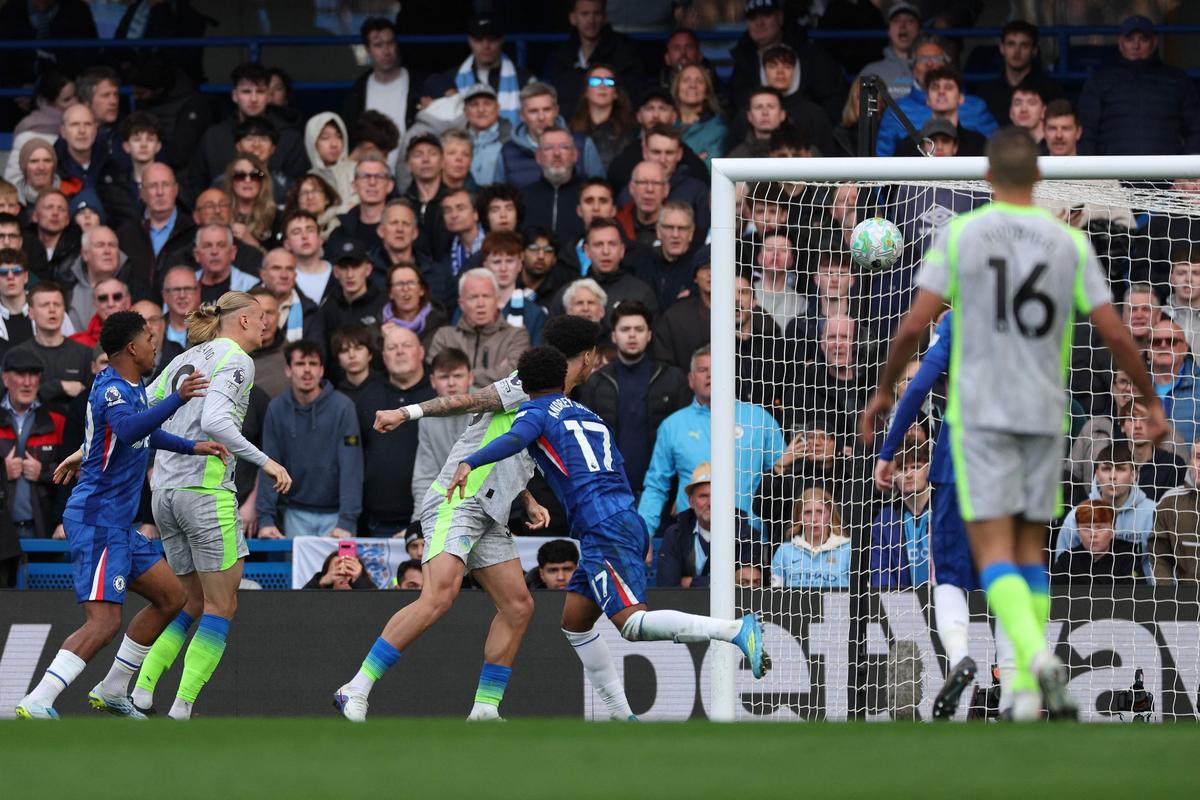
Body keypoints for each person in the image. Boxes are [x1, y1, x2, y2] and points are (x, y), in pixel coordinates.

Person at [860, 126, 1166, 721]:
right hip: (1042, 423)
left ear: (987, 179)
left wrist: (881, 404)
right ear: (1040, 179)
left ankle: (994, 664)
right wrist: (1151, 401)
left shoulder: (962, 237)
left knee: (972, 560)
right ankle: (1028, 677)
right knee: (1029, 555)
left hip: (976, 425)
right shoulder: (1067, 244)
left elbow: (913, 340)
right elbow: (1115, 332)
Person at [446, 346, 770, 708]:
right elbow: (616, 464)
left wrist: (470, 461)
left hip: (603, 526)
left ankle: (734, 630)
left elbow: (516, 438)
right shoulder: (588, 415)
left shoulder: (534, 411)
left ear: (524, 382)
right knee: (575, 623)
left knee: (632, 624)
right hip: (620, 516)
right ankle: (621, 714)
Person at [333, 316, 596, 723]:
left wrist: (524, 498)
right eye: (598, 356)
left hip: (491, 512)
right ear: (588, 357)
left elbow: (510, 444)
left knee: (518, 605)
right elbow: (469, 401)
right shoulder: (524, 382)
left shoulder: (559, 403)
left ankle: (485, 708)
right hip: (457, 500)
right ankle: (356, 688)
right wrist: (407, 412)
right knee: (438, 596)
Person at [14, 310, 217, 720]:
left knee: (172, 597)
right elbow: (127, 430)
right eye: (149, 338)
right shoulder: (111, 390)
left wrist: (191, 447)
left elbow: (141, 433)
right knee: (104, 622)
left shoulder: (132, 385)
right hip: (96, 520)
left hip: (117, 524)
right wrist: (177, 397)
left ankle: (112, 688)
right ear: (131, 348)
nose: (154, 344)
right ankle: (38, 700)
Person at [127, 292, 292, 719]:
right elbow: (216, 422)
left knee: (190, 600)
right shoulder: (237, 358)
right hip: (205, 494)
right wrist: (268, 461)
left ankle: (143, 690)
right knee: (222, 605)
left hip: (164, 494)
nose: (266, 324)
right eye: (260, 317)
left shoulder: (188, 357)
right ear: (240, 322)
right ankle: (182, 705)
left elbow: (141, 411)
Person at [873, 311, 1002, 718]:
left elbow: (918, 388)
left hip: (955, 462)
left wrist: (889, 450)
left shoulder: (956, 323)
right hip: (1011, 464)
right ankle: (1015, 687)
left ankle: (961, 656)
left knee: (947, 576)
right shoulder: (1030, 319)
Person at [639, 345, 783, 534]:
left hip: (748, 538)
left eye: (716, 369)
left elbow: (783, 477)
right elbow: (656, 486)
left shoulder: (759, 420)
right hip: (691, 538)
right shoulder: (673, 426)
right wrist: (643, 536)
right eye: (702, 370)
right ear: (691, 380)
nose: (710, 375)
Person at [579, 302, 690, 494]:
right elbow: (585, 440)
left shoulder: (673, 378)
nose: (632, 335)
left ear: (649, 335)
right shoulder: (596, 382)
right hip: (609, 488)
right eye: (625, 329)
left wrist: (682, 488)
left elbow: (685, 437)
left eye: (639, 329)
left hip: (663, 489)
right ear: (614, 335)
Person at [256, 341, 362, 539]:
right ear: (288, 370)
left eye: (313, 364)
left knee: (340, 571)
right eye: (299, 364)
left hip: (337, 516)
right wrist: (266, 519)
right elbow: (269, 464)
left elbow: (351, 466)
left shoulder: (343, 407)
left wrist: (347, 520)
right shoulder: (276, 408)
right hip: (295, 513)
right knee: (297, 571)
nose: (307, 371)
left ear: (322, 370)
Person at [354, 326, 436, 537]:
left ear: (421, 352)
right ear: (383, 357)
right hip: (379, 518)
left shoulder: (438, 394)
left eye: (406, 345)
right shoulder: (366, 395)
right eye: (392, 347)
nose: (399, 351)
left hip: (435, 515)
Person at [1078, 15, 1200, 156]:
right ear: (1120, 43)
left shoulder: (1178, 80)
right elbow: (1086, 131)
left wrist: (1187, 169)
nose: (1136, 45)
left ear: (1154, 42)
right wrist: (1093, 173)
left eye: (1143, 39)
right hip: (1112, 174)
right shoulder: (1099, 81)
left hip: (1167, 174)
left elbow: (1196, 129)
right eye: (1130, 39)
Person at [186, 63, 307, 202]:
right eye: (246, 92)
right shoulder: (213, 137)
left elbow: (299, 187)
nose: (254, 99)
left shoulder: (289, 137)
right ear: (234, 95)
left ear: (268, 96)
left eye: (260, 91)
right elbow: (196, 183)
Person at [873, 37, 997, 158]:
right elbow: (882, 160)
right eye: (923, 59)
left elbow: (997, 150)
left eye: (936, 58)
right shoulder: (897, 112)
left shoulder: (975, 108)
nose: (930, 63)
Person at [728, 0, 844, 123]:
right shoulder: (743, 59)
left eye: (766, 15)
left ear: (780, 18)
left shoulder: (811, 55)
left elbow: (833, 101)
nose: (759, 23)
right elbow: (735, 108)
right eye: (752, 18)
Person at [1055, 443, 1157, 574]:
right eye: (1106, 469)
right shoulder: (1077, 515)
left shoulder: (1152, 513)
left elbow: (1160, 565)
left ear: (1133, 475)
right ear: (1097, 474)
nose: (1112, 476)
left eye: (1120, 469)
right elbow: (1061, 565)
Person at [0, 348, 66, 539]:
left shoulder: (58, 419)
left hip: (44, 529)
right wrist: (3, 471)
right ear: (5, 378)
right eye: (20, 374)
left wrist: (43, 472)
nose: (28, 382)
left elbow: (76, 473)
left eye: (33, 374)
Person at [427, 268, 530, 388]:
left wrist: (460, 377)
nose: (480, 304)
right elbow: (435, 377)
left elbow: (514, 379)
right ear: (461, 304)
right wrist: (498, 372)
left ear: (497, 300)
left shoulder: (516, 335)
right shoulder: (444, 337)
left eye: (486, 296)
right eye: (473, 297)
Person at [543, 0, 646, 120]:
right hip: (569, 126)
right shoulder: (560, 55)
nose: (591, 20)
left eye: (596, 13)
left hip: (615, 128)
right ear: (573, 18)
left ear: (605, 17)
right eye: (585, 14)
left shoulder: (624, 51)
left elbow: (634, 95)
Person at [500, 82, 604, 189]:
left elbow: (601, 191)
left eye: (547, 110)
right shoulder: (507, 151)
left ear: (556, 111)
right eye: (533, 111)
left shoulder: (582, 144)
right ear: (522, 115)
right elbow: (497, 196)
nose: (541, 117)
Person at [115, 162, 197, 294]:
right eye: (153, 186)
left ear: (176, 190)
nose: (160, 192)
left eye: (165, 185)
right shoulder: (125, 236)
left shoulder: (194, 232)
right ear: (142, 193)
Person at [10, 282, 92, 413]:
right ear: (31, 313)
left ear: (64, 310)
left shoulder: (85, 354)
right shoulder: (17, 355)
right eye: (44, 305)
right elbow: (11, 398)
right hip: (33, 429)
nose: (52, 310)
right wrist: (58, 387)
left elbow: (97, 398)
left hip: (74, 429)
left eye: (57, 304)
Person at [410, 347, 473, 505]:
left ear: (471, 378)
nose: (451, 383)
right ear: (432, 381)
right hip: (448, 506)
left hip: (493, 507)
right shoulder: (427, 419)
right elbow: (425, 477)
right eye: (444, 377)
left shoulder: (489, 410)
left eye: (458, 376)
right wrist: (419, 521)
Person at [976, 20, 1064, 126]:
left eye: (1024, 45)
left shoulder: (1050, 90)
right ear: (1002, 48)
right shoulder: (986, 93)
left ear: (1034, 50)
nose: (1017, 51)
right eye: (1011, 44)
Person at [344, 18, 415, 146]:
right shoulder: (357, 92)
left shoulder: (418, 84)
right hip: (370, 165)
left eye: (390, 43)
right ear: (367, 49)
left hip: (411, 165)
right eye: (378, 45)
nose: (386, 51)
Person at [892, 69, 987, 157]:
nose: (941, 91)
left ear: (960, 98)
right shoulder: (908, 146)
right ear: (927, 99)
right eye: (935, 87)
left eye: (948, 87)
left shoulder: (978, 144)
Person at [770, 487, 851, 588]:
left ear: (830, 514)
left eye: (820, 512)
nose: (814, 519)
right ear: (800, 517)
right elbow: (774, 596)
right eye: (808, 512)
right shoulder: (785, 551)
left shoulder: (848, 550)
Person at [521, 127, 587, 248]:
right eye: (548, 148)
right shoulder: (523, 197)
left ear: (575, 155)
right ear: (538, 157)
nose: (557, 154)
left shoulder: (588, 195)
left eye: (564, 147)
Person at [1051, 500, 1142, 585]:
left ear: (1113, 531)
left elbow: (1138, 594)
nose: (1093, 534)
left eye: (1100, 528)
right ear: (1078, 532)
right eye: (1086, 528)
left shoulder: (1128, 556)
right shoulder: (1067, 560)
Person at [482, 231, 547, 346]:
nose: (503, 268)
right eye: (496, 262)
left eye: (509, 261)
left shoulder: (535, 314)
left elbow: (539, 358)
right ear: (485, 265)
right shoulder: (470, 307)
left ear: (520, 265)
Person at [569, 64, 636, 171]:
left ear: (615, 94)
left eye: (609, 82)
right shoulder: (572, 129)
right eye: (595, 81)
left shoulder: (630, 129)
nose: (602, 86)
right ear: (586, 92)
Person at [653, 247, 710, 370]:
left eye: (718, 266)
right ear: (695, 277)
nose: (711, 273)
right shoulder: (675, 317)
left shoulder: (747, 314)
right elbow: (663, 364)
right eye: (705, 268)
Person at [1151, 443, 1200, 583]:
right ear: (1191, 461)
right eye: (1198, 457)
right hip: (1184, 599)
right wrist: (1167, 595)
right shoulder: (1169, 502)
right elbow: (1159, 556)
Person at [1149, 318, 1200, 442]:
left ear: (1185, 348)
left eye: (1171, 341)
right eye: (1156, 341)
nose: (1163, 345)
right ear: (1148, 350)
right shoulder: (1132, 385)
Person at [858, 2, 922, 99]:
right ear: (888, 30)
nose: (903, 25)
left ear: (919, 29)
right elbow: (859, 111)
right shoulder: (871, 72)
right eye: (896, 21)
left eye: (910, 21)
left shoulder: (932, 68)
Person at [671, 64, 727, 168]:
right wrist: (694, 160)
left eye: (699, 81)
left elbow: (709, 168)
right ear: (677, 88)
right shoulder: (665, 123)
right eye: (686, 80)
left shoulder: (718, 130)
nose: (692, 85)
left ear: (706, 92)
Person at [304, 112, 356, 217]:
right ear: (312, 142)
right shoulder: (308, 181)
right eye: (325, 137)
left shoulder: (357, 171)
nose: (334, 144)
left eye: (339, 136)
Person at [193, 224, 258, 303]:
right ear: (196, 254)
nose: (214, 251)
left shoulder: (252, 286)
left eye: (221, 245)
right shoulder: (185, 285)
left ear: (233, 252)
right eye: (207, 246)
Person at [463, 82, 512, 187]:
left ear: (498, 108)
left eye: (487, 103)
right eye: (474, 104)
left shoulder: (513, 140)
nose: (481, 110)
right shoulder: (454, 142)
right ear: (465, 111)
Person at [520, 225, 578, 305]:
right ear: (521, 254)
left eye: (548, 251)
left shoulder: (563, 290)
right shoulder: (508, 282)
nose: (541, 256)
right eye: (534, 249)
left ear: (554, 259)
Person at [619, 160, 670, 247]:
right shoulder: (618, 224)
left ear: (666, 190)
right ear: (631, 188)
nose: (649, 189)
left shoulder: (677, 228)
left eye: (656, 183)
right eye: (642, 182)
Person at [0, 247, 33, 358]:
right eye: (3, 273)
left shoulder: (48, 309)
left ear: (26, 277)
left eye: (16, 271)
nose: (10, 277)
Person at [304, 548, 375, 590]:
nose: (344, 575)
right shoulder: (323, 584)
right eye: (338, 569)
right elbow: (301, 603)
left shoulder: (367, 586)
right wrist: (321, 582)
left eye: (349, 569)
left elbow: (376, 604)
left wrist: (360, 580)